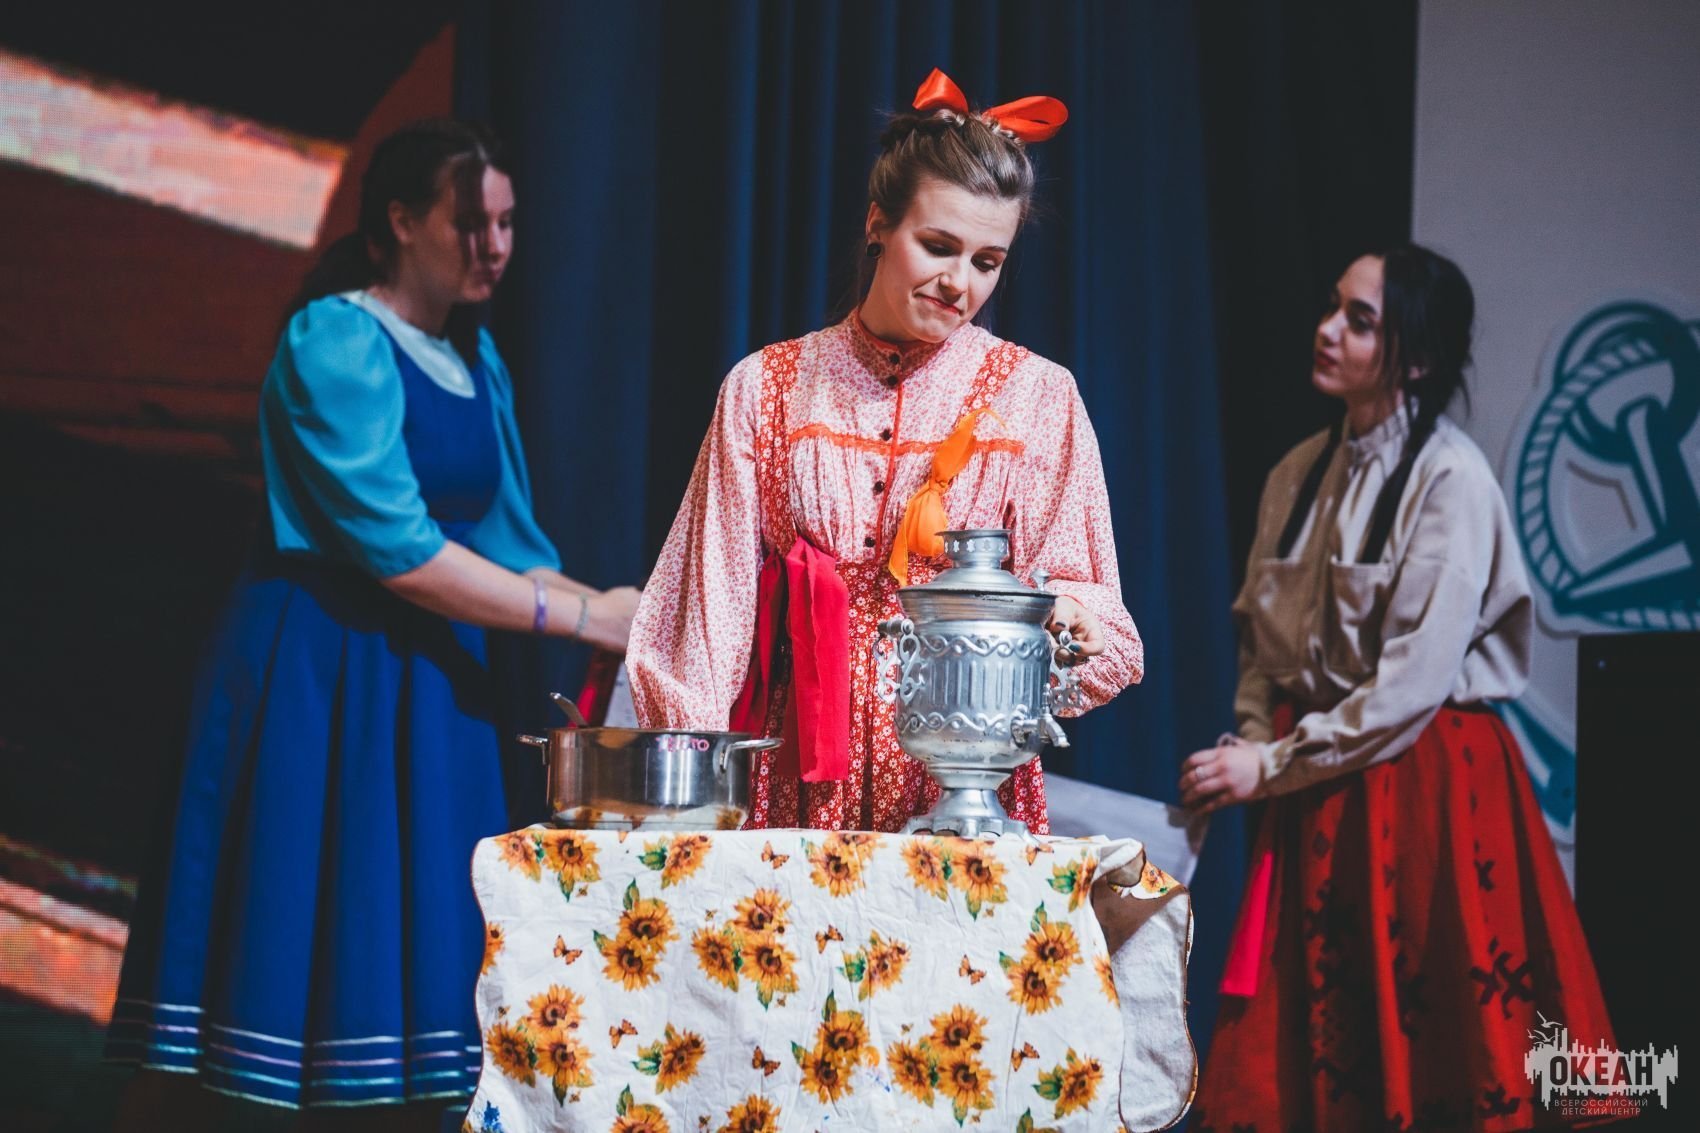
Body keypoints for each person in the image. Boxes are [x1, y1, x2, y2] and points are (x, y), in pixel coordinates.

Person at [105, 119, 640, 1130]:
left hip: (434, 688)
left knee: (424, 981)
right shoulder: (337, 341)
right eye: (470, 222)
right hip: (322, 671)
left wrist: (620, 615)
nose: (494, 246)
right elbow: (400, 549)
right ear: (400, 221)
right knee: (285, 940)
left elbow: (506, 541)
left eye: (507, 223)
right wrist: (581, 613)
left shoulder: (472, 358)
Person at [627, 70, 1142, 834]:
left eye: (987, 261)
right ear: (877, 224)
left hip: (964, 787)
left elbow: (1091, 604)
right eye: (938, 246)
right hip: (799, 779)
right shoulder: (768, 388)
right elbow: (706, 619)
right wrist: (687, 810)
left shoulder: (1037, 397)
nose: (959, 282)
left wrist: (1066, 621)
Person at [1180, 246, 1617, 1130]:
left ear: (1415, 359)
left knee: (1436, 1039)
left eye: (1360, 320)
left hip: (1421, 784)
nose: (1327, 330)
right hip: (1317, 785)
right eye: (1332, 307)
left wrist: (1272, 764)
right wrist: (1255, 739)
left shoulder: (1451, 479)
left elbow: (1412, 686)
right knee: (1308, 1057)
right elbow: (1263, 641)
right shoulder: (1297, 472)